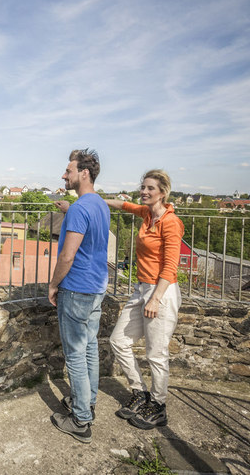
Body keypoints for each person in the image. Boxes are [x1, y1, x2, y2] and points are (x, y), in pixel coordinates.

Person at [105, 169, 184, 430]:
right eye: (143, 187)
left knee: (156, 354)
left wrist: (155, 299)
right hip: (142, 289)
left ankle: (159, 406)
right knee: (118, 341)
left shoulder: (171, 223)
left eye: (150, 188)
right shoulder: (147, 213)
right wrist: (93, 199)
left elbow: (171, 265)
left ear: (163, 192)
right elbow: (123, 204)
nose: (144, 192)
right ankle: (141, 393)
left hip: (161, 292)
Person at [48, 149, 110, 444]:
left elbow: (68, 255)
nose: (64, 175)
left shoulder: (79, 209)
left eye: (68, 170)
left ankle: (81, 420)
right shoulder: (98, 204)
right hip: (97, 287)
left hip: (76, 288)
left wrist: (52, 285)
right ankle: (89, 403)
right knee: (89, 349)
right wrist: (69, 210)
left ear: (83, 173)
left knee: (75, 354)